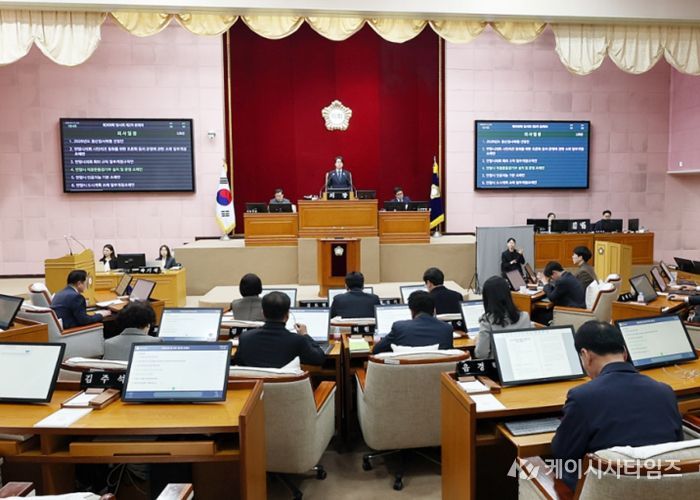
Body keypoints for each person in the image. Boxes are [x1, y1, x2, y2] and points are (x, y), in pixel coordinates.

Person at [551, 321, 683, 492]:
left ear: (586, 355)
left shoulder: (582, 397)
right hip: (663, 490)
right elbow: (677, 444)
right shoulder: (665, 391)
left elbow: (562, 453)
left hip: (607, 491)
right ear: (625, 352)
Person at [232, 291, 326, 368]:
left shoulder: (245, 338)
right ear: (287, 315)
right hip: (286, 386)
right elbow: (319, 359)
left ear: (263, 314)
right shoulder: (298, 341)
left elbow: (238, 363)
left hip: (257, 385)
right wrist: (305, 335)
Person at [373, 291, 453, 354]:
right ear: (434, 310)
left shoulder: (399, 327)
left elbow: (376, 350)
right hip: (438, 370)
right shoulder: (447, 329)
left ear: (411, 310)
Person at [475, 276, 531, 359]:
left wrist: (477, 341)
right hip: (521, 361)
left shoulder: (487, 321)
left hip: (497, 365)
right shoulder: (525, 317)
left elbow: (481, 354)